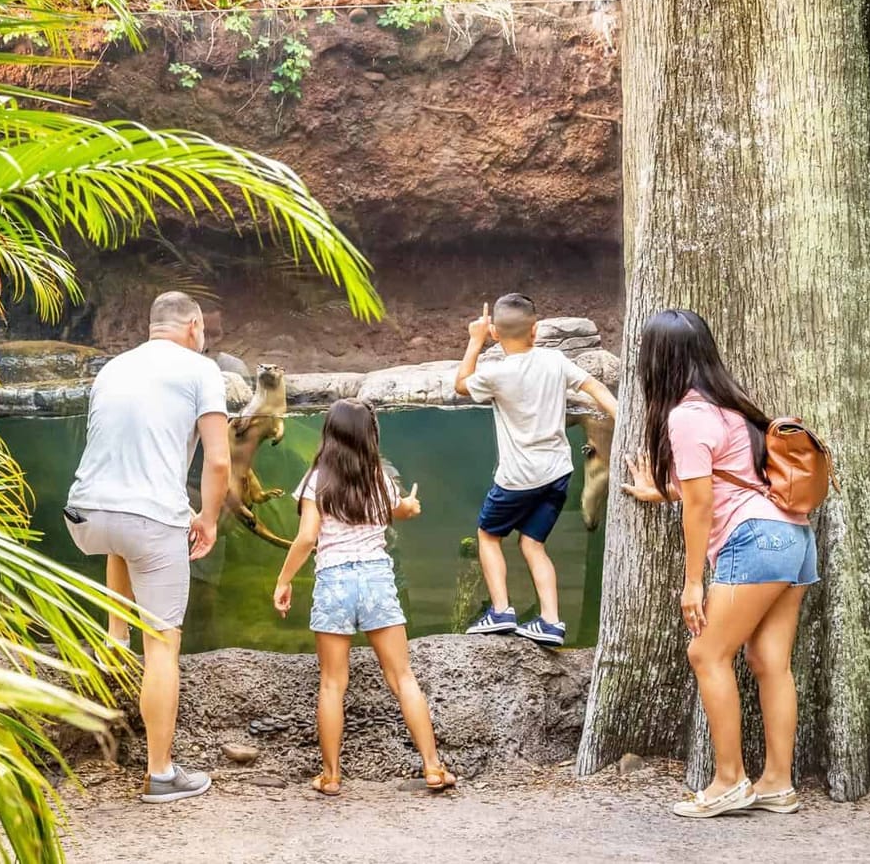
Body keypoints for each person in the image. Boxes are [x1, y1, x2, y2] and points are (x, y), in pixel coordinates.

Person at [622, 308, 817, 818]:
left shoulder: (686, 415)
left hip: (751, 542)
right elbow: (718, 480)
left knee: (706, 655)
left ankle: (730, 781)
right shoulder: (736, 407)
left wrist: (693, 583)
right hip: (793, 538)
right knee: (769, 661)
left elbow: (702, 504)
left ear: (657, 361)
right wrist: (659, 490)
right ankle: (777, 783)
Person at [64, 291, 231, 804]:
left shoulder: (113, 368)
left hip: (84, 513)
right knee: (164, 644)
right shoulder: (201, 370)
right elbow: (220, 463)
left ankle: (116, 639)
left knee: (127, 539)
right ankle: (161, 773)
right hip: (149, 519)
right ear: (195, 326)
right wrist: (207, 518)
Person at [272, 399, 456, 796]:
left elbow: (307, 537)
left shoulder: (316, 479)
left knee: (332, 683)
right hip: (376, 578)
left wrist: (284, 579)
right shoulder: (378, 477)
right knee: (403, 677)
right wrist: (410, 506)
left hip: (334, 580)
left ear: (330, 433)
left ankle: (331, 775)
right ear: (369, 435)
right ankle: (433, 767)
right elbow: (398, 510)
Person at [454, 295, 617, 645]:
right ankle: (551, 621)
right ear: (537, 329)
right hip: (558, 472)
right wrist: (625, 421)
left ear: (496, 333)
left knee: (488, 536)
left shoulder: (495, 373)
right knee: (533, 543)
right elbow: (597, 388)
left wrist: (474, 339)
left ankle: (500, 611)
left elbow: (461, 384)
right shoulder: (554, 360)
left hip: (517, 478)